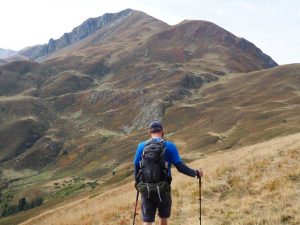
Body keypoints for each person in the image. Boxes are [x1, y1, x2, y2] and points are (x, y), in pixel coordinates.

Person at [133, 120, 203, 225]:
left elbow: (136, 166)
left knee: (147, 221)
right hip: (163, 189)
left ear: (150, 132)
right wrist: (196, 173)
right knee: (163, 217)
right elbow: (180, 167)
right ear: (162, 132)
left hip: (146, 188)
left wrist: (138, 184)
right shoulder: (169, 146)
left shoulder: (141, 146)